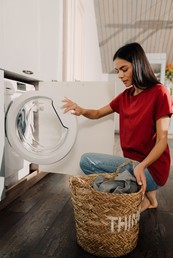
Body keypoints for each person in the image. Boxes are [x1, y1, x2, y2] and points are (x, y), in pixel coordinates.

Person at [62, 42, 173, 212]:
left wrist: (142, 166)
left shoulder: (159, 93)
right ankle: (146, 196)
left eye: (124, 69)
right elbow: (98, 113)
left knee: (98, 173)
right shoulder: (125, 97)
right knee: (86, 161)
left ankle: (137, 191)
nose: (120, 75)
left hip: (151, 169)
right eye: (117, 71)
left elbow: (162, 140)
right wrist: (81, 109)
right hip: (131, 166)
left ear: (138, 64)